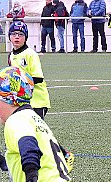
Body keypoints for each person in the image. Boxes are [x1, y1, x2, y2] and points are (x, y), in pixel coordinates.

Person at [8, 21, 75, 171]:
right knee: (31, 133)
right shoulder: (12, 55)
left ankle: (65, 155)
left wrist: (20, 80)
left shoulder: (30, 54)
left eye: (20, 34)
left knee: (40, 134)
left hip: (38, 100)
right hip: (23, 102)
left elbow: (38, 78)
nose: (17, 37)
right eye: (13, 34)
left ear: (26, 37)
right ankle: (39, 161)